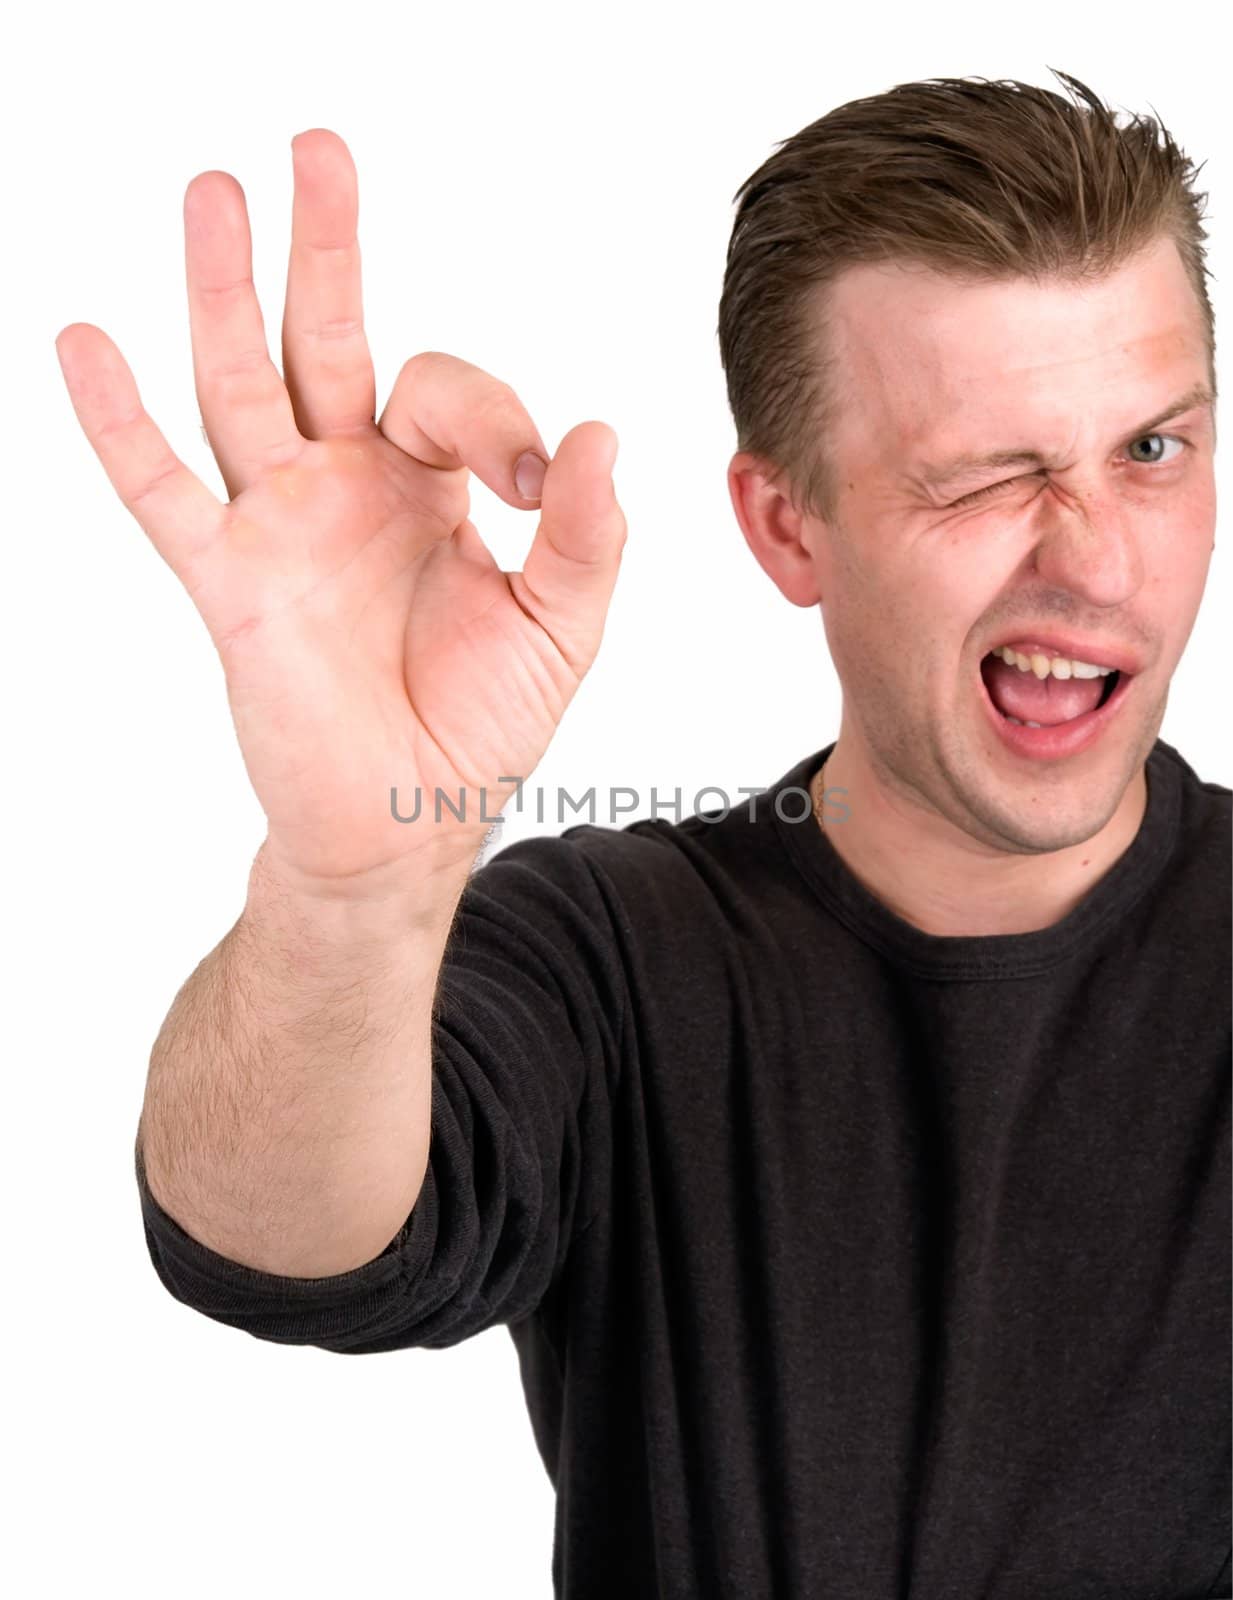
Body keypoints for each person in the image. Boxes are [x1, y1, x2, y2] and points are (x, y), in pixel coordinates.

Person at [56, 68, 1230, 1599]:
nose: (1095, 562)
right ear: (784, 527)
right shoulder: (611, 957)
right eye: (984, 478)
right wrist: (353, 887)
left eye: (1149, 450)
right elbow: (268, 1245)